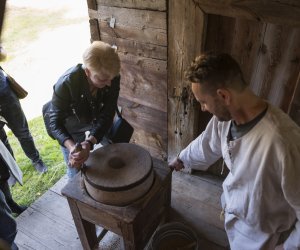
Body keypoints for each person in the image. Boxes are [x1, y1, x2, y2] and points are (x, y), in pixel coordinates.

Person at [169, 53, 300, 250]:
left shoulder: (284, 143)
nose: (203, 108)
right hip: (235, 214)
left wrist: (289, 247)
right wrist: (182, 159)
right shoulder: (226, 120)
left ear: (223, 96)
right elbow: (206, 144)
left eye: (203, 102)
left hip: (265, 237)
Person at [49, 41, 121, 178]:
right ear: (87, 71)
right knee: (76, 166)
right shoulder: (66, 83)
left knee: (115, 153)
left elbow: (108, 112)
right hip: (71, 121)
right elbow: (55, 123)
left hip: (97, 116)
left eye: (111, 78)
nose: (109, 83)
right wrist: (72, 149)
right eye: (103, 79)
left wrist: (90, 142)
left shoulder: (111, 75)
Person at [0, 66, 48, 174]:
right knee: (1, 140)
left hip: (5, 95)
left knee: (22, 132)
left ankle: (36, 160)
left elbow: (3, 54)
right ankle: (12, 169)